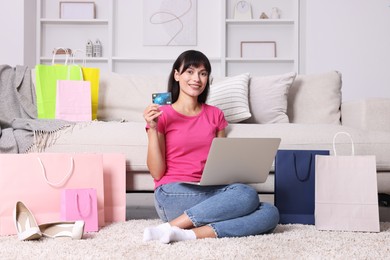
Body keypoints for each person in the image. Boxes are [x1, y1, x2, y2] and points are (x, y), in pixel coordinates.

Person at [142, 50, 279, 244]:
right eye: (189, 71)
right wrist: (153, 129)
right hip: (172, 193)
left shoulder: (215, 115)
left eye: (203, 73)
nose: (196, 78)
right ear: (177, 75)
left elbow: (222, 163)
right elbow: (157, 173)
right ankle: (172, 225)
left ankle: (187, 233)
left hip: (210, 192)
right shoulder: (161, 115)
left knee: (270, 213)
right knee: (247, 194)